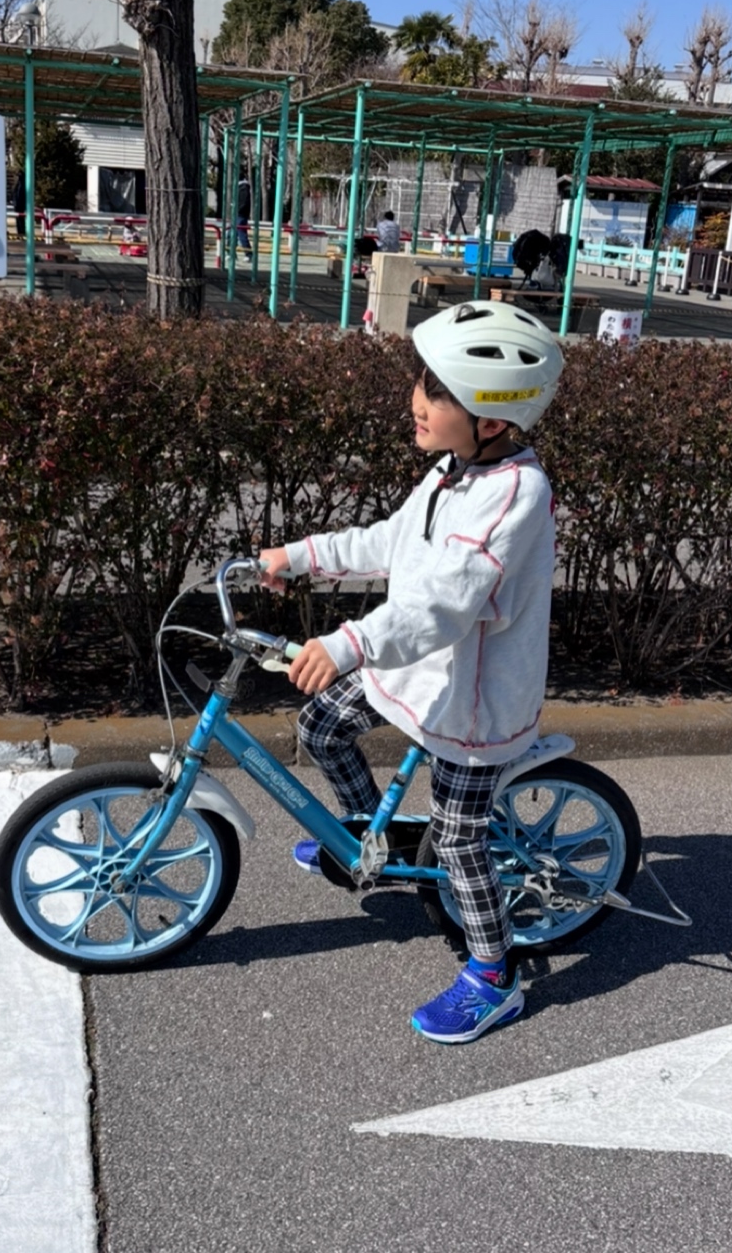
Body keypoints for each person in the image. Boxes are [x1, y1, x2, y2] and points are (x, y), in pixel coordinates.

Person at [258, 303, 564, 1045]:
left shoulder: (516, 498)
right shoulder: (449, 472)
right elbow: (388, 543)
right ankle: (377, 842)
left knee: (461, 841)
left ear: (490, 420)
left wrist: (348, 642)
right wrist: (298, 557)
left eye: (436, 391)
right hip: (414, 668)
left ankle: (495, 975)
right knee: (321, 725)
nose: (416, 402)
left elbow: (446, 606)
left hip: (470, 700)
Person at [234, 175, 252, 256]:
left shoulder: (243, 188)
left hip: (240, 214)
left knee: (240, 232)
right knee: (235, 233)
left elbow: (243, 203)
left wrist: (237, 209)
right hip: (241, 214)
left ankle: (248, 253)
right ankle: (231, 252)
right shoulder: (244, 188)